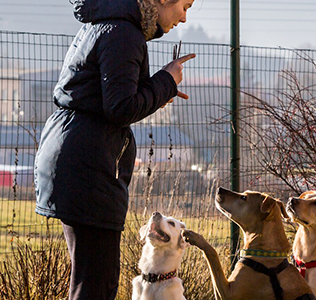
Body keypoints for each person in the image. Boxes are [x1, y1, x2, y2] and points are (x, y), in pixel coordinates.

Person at [33, 0, 195, 298]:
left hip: (76, 156)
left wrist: (158, 90)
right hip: (89, 166)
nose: (184, 18)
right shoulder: (123, 32)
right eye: (185, 5)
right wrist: (166, 81)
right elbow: (120, 108)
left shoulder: (108, 23)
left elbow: (113, 98)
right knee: (96, 286)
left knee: (89, 281)